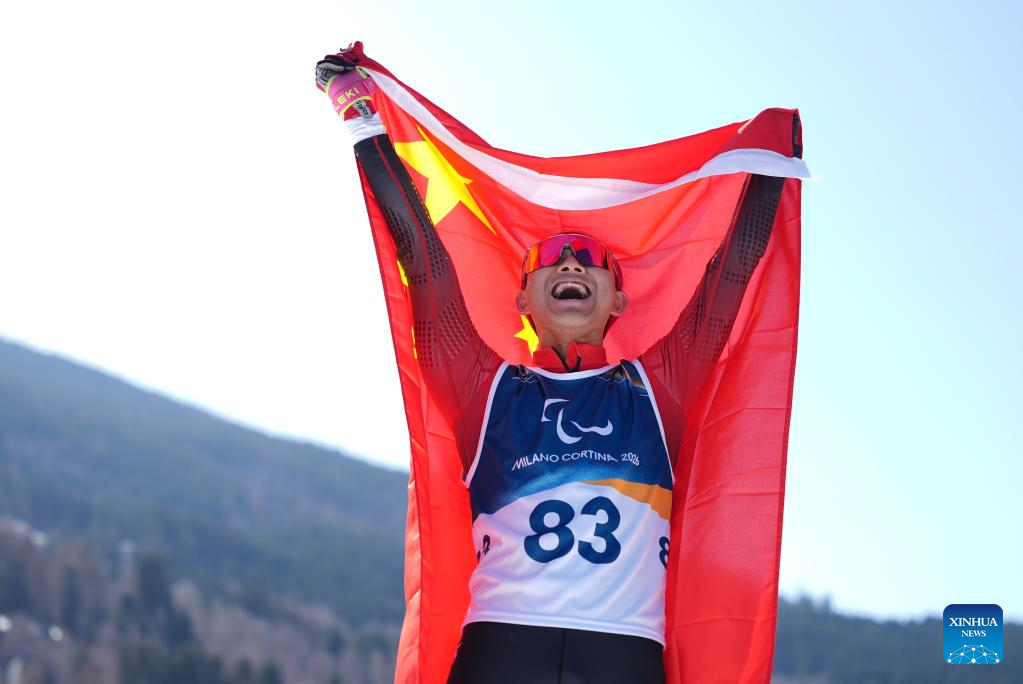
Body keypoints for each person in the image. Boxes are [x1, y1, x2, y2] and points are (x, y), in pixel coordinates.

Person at [316, 45, 783, 684]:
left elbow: (729, 277)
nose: (569, 262)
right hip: (502, 644)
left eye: (590, 258)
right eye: (550, 259)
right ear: (522, 300)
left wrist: (768, 167)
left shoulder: (660, 387)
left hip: (624, 652)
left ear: (618, 301)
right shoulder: (485, 388)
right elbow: (424, 264)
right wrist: (365, 127)